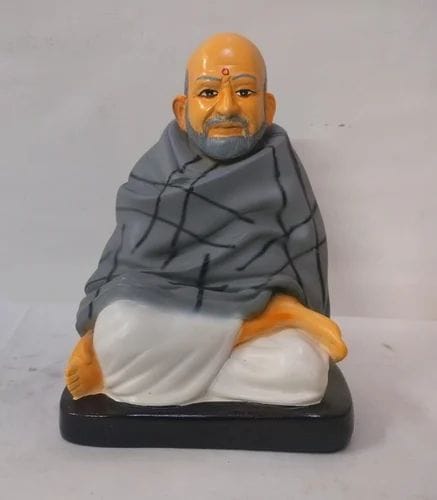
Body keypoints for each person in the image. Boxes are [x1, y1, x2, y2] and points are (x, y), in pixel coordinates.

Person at [65, 33, 347, 407]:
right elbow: (120, 274)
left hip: (177, 340)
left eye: (244, 92)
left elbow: (301, 270)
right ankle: (266, 320)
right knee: (120, 328)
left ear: (268, 107)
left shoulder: (281, 173)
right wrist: (91, 338)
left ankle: (176, 372)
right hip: (163, 315)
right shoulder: (158, 175)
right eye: (209, 92)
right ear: (182, 110)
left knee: (302, 370)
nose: (227, 107)